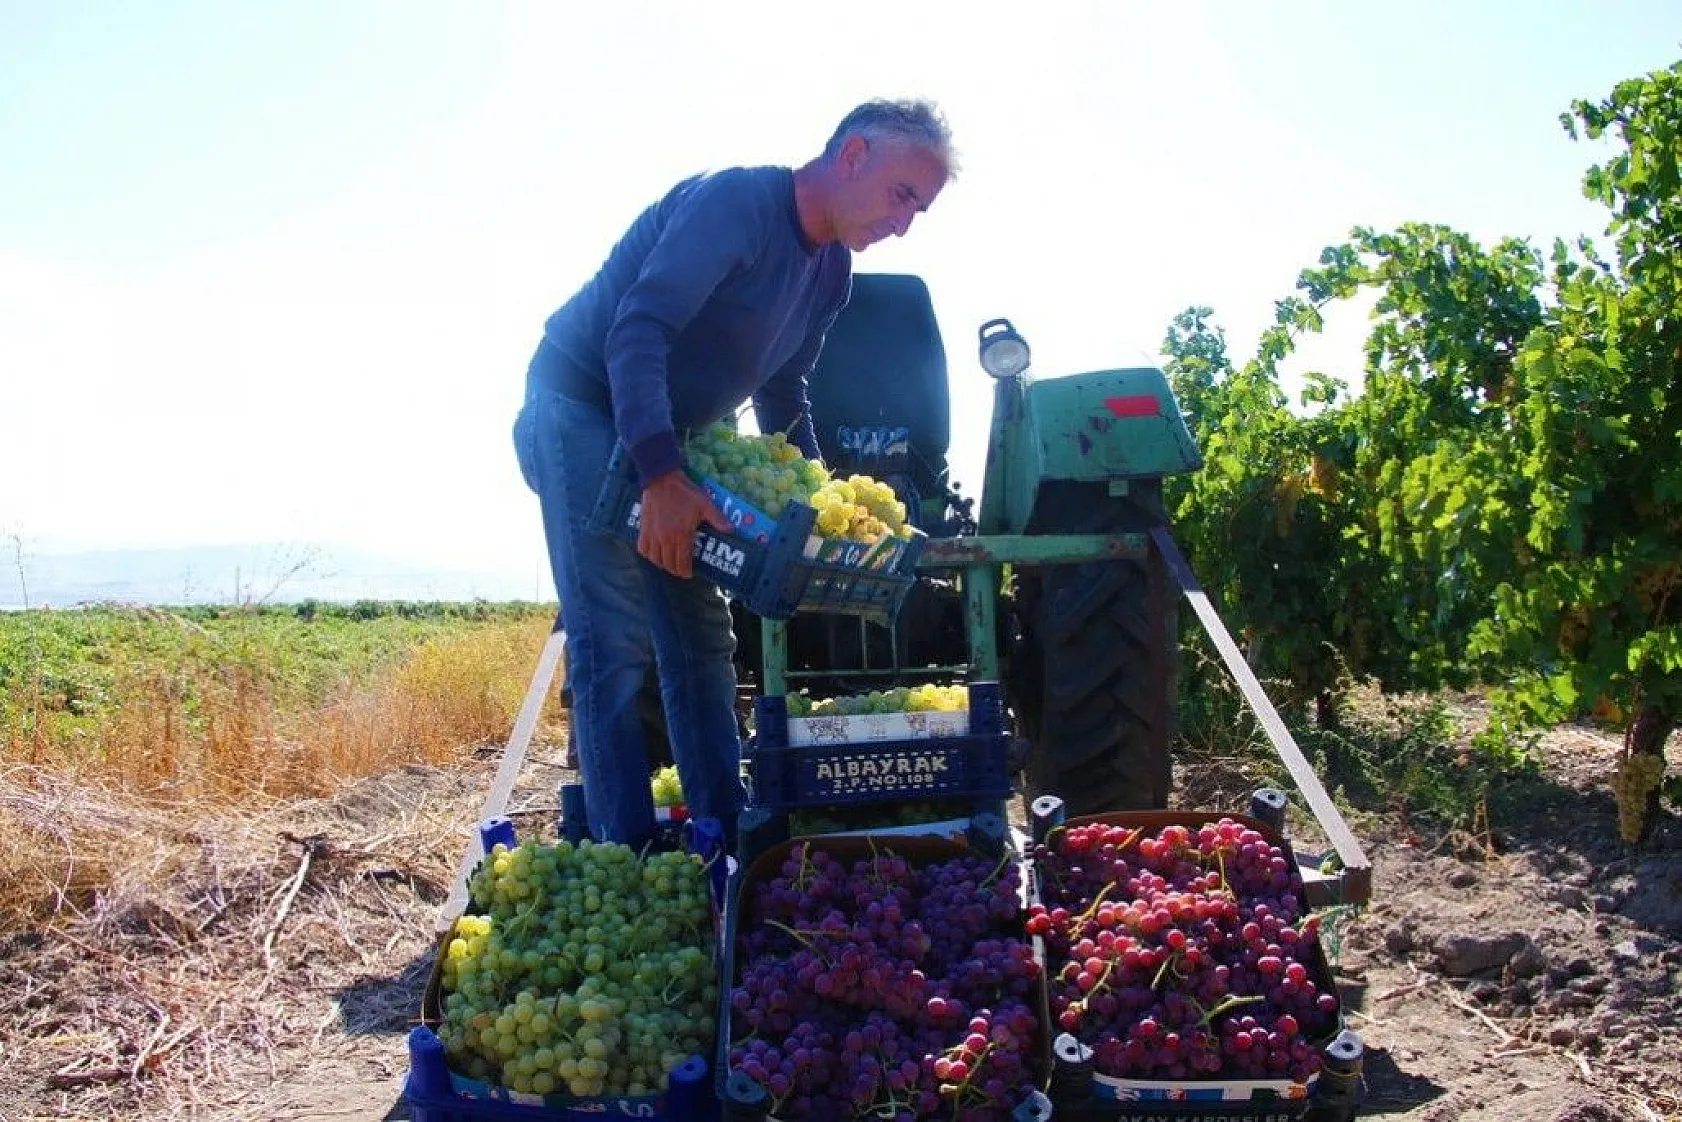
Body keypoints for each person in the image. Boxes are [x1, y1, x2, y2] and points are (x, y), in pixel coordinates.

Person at [511, 99, 957, 846]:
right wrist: (661, 478)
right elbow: (638, 329)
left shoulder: (831, 274)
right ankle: (633, 858)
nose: (905, 222)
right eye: (902, 195)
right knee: (615, 641)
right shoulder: (736, 205)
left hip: (676, 437)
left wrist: (817, 508)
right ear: (853, 156)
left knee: (699, 640)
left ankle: (727, 837)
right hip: (581, 406)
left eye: (921, 210)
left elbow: (784, 394)